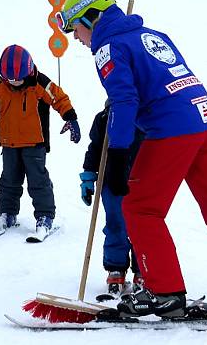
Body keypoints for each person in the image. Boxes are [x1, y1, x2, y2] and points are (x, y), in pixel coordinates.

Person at [56, 0, 207, 320]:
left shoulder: (108, 47)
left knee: (139, 208)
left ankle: (163, 292)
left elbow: (124, 102)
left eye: (75, 29)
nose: (76, 38)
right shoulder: (152, 35)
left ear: (91, 18)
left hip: (172, 130)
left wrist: (120, 154)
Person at [0, 45, 81, 237]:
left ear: (28, 70)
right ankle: (7, 214)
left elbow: (59, 98)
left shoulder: (39, 83)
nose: (14, 83)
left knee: (38, 181)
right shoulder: (0, 85)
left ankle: (45, 217)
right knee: (8, 181)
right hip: (9, 142)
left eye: (18, 79)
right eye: (10, 80)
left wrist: (70, 118)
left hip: (35, 143)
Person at [81, 103, 145, 296]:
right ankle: (115, 269)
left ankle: (144, 270)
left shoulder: (147, 118)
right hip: (110, 182)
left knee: (142, 227)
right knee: (115, 225)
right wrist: (89, 177)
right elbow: (94, 148)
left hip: (142, 182)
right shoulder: (104, 118)